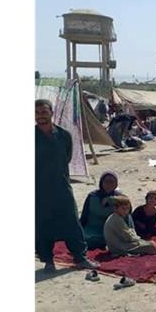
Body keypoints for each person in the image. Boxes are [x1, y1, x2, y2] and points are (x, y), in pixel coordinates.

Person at [35, 99, 99, 272]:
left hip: (62, 186)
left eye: (44, 112)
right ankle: (48, 260)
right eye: (37, 112)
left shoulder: (63, 135)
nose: (40, 116)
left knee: (71, 221)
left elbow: (68, 157)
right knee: (42, 224)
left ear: (51, 112)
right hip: (38, 189)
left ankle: (80, 257)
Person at [79, 171, 125, 250]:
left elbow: (127, 210)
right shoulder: (93, 196)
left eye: (112, 182)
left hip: (113, 229)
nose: (109, 184)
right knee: (88, 241)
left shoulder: (118, 196)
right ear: (101, 183)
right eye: (106, 181)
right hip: (95, 229)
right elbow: (100, 212)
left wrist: (111, 199)